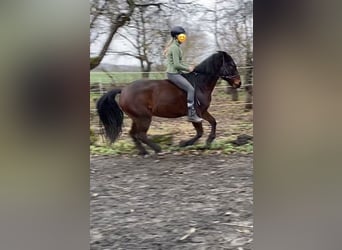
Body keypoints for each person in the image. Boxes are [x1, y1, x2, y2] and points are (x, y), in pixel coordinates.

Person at [164, 26, 202, 123]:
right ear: (176, 36)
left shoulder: (177, 47)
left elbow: (180, 62)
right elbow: (177, 65)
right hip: (173, 74)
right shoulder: (174, 48)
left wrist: (190, 67)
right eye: (182, 35)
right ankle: (191, 114)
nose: (184, 37)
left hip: (177, 72)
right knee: (190, 89)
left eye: (184, 35)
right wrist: (187, 68)